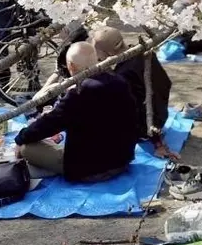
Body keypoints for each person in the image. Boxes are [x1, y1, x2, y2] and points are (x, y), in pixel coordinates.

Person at [12, 41, 138, 182]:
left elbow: (49, 124)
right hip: (122, 160)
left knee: (26, 148)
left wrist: (21, 138)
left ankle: (51, 167)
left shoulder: (80, 92)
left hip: (89, 169)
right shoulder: (119, 81)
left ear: (71, 66)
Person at [91, 26, 178, 160]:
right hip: (161, 113)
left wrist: (157, 142)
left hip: (146, 127)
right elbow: (166, 83)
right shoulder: (143, 52)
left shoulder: (124, 75)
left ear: (108, 52)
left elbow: (134, 109)